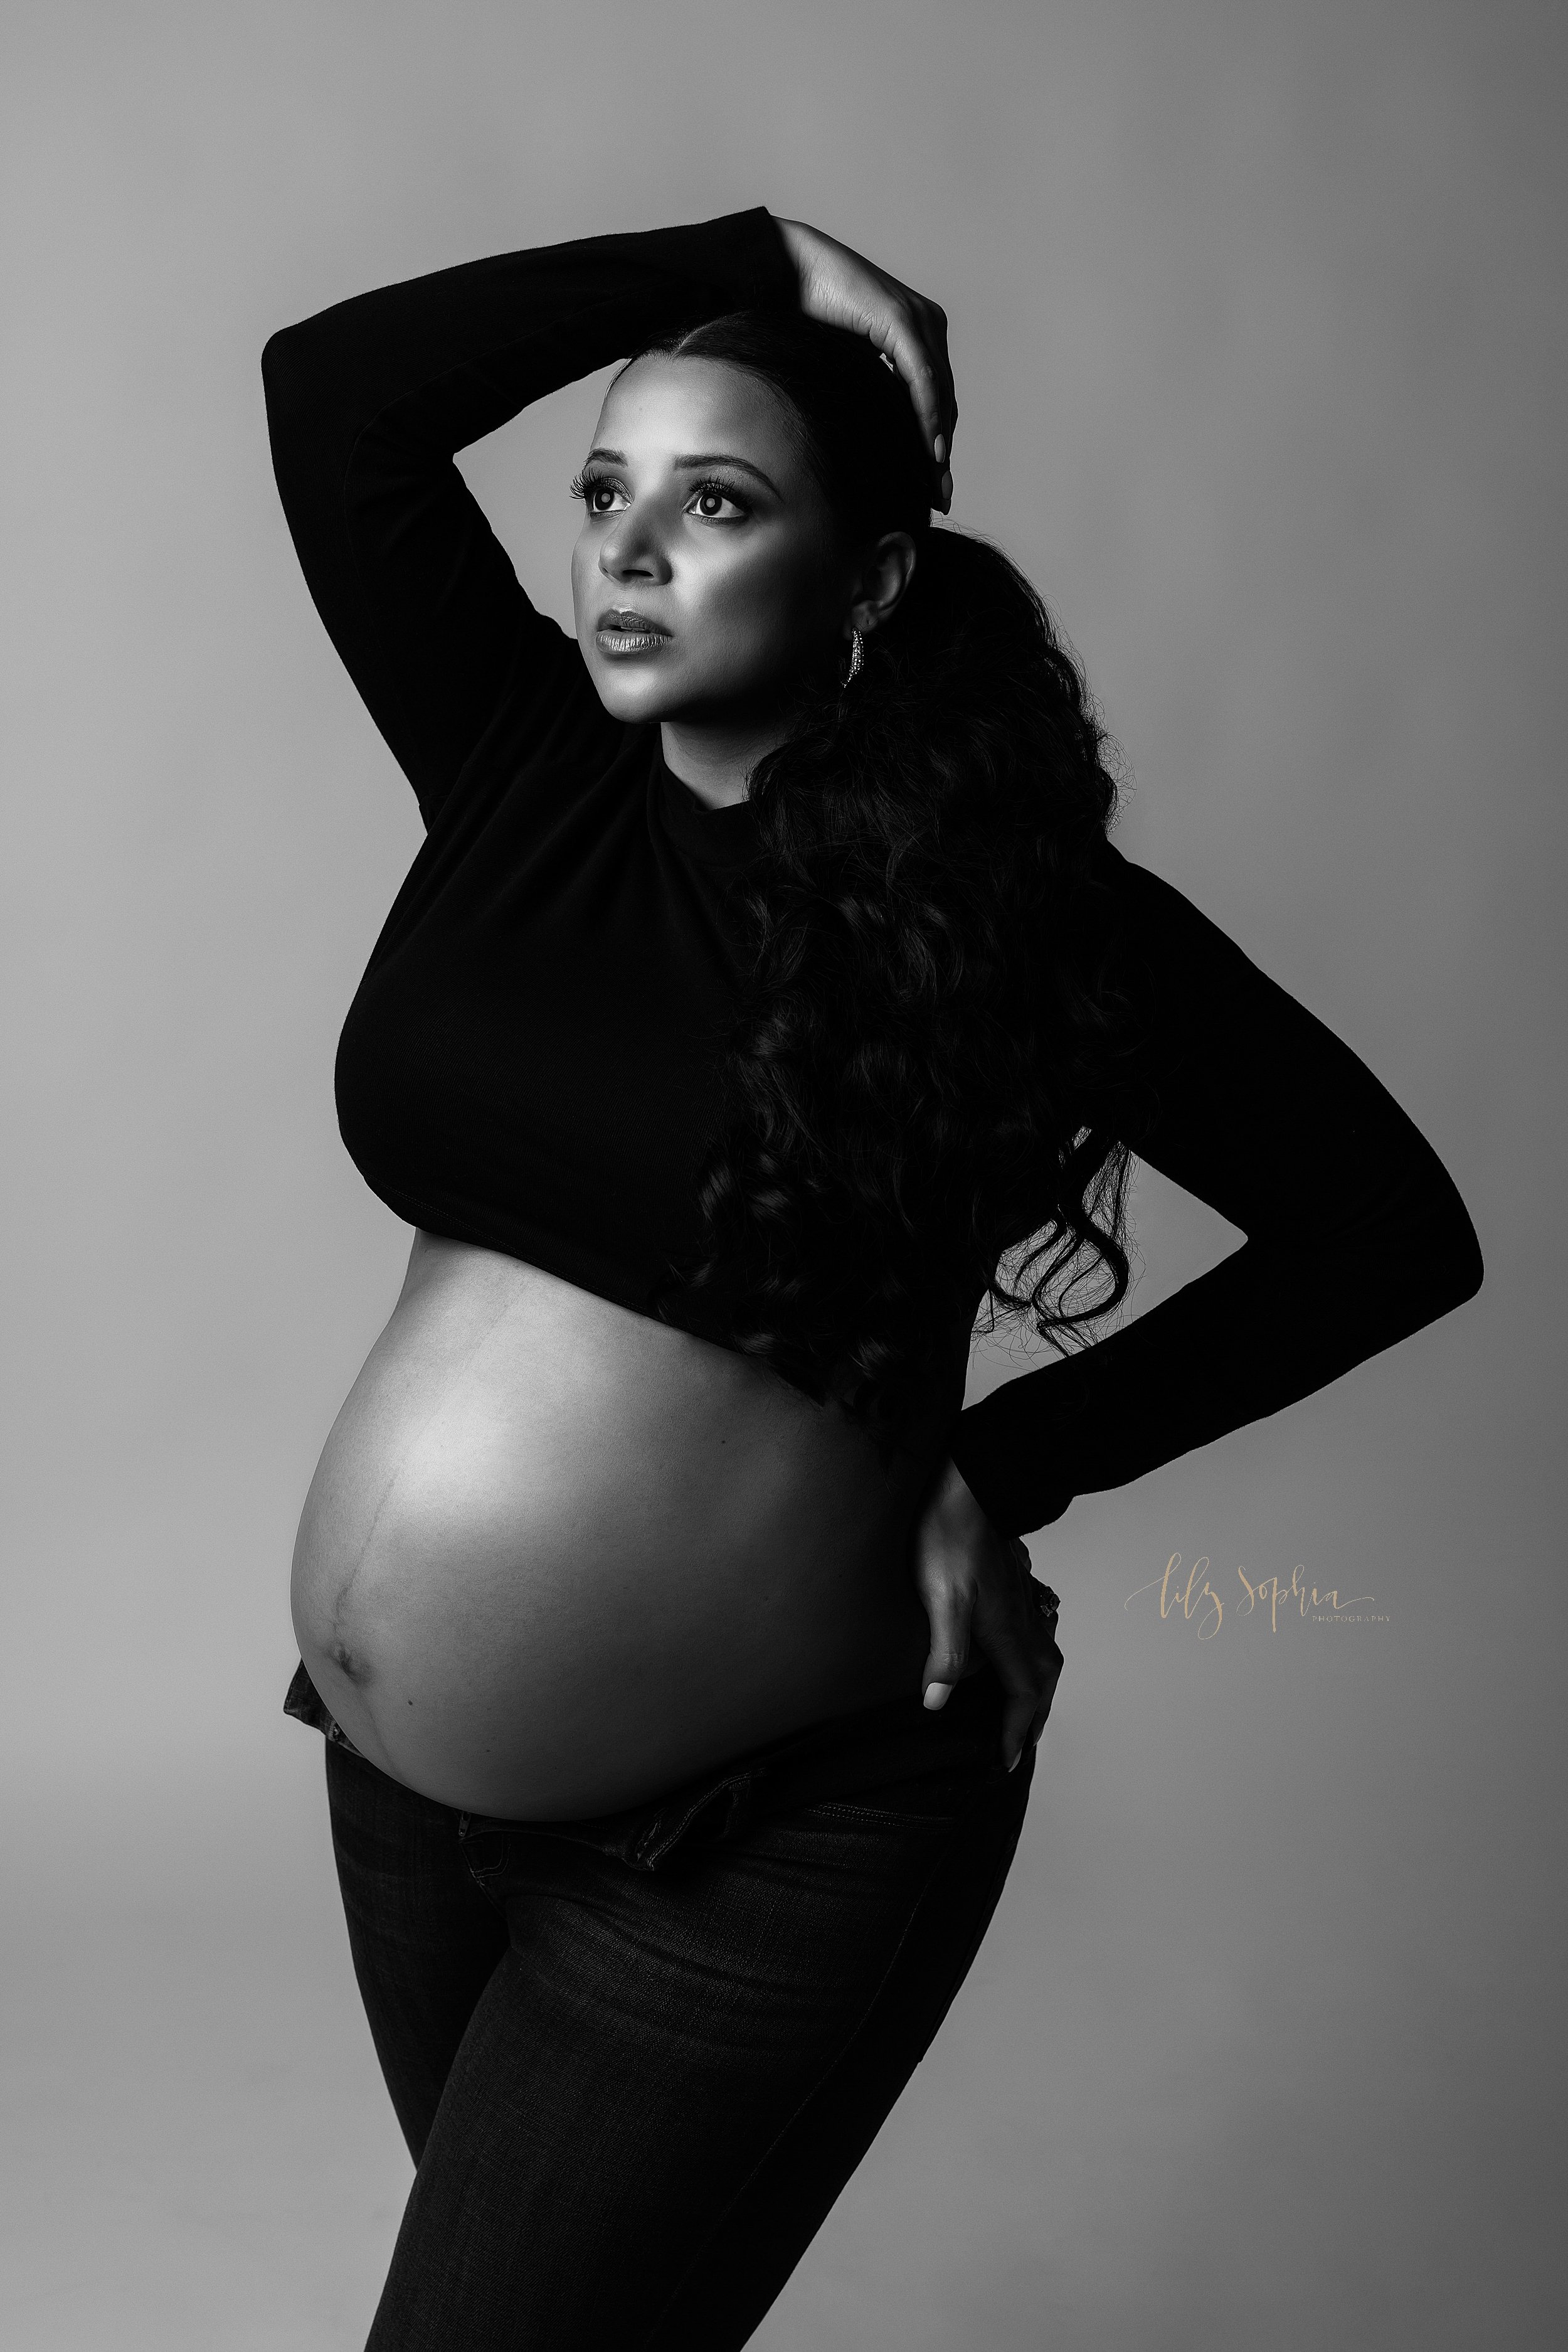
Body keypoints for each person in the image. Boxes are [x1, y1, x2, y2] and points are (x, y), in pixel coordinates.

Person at [261, 208, 1483, 2348]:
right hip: (398, 1797)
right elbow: (334, 395)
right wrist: (741, 254)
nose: (628, 552)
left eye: (715, 502)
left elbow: (1388, 1231)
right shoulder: (529, 773)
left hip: (765, 1836)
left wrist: (1004, 1471)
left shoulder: (1025, 926)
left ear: (872, 579)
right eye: (605, 492)